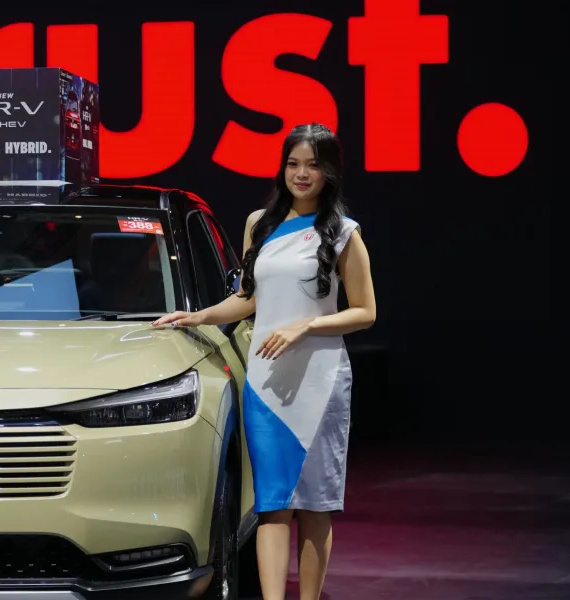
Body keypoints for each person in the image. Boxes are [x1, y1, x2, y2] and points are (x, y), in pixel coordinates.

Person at [154, 123, 376, 600]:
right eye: (293, 164)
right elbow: (249, 298)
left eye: (313, 165)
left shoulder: (344, 233)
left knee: (315, 505)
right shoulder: (260, 223)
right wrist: (200, 316)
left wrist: (306, 325)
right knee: (272, 504)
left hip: (320, 380)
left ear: (330, 171)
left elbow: (365, 312)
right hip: (266, 382)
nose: (302, 174)